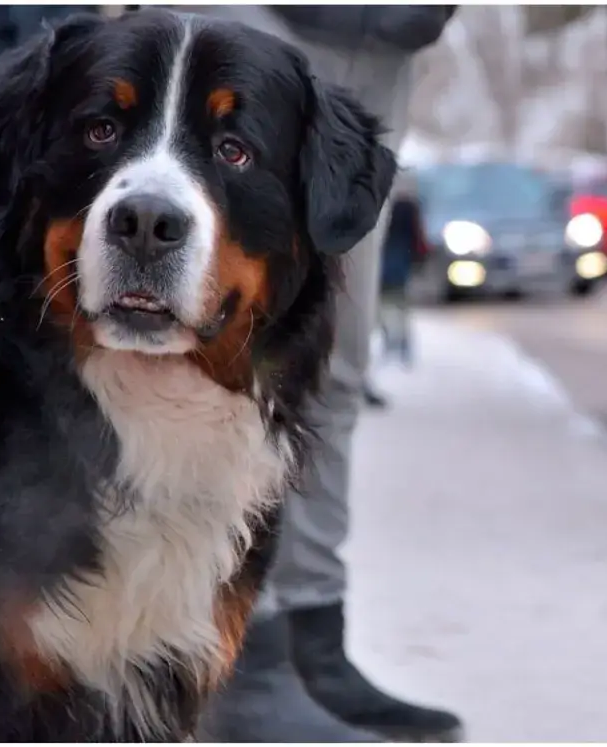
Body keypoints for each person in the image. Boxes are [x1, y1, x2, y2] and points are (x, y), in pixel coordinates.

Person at [172, 6, 462, 742]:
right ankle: (228, 648)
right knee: (205, 343)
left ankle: (311, 637)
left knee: (334, 364)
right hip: (257, 17)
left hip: (387, 37)